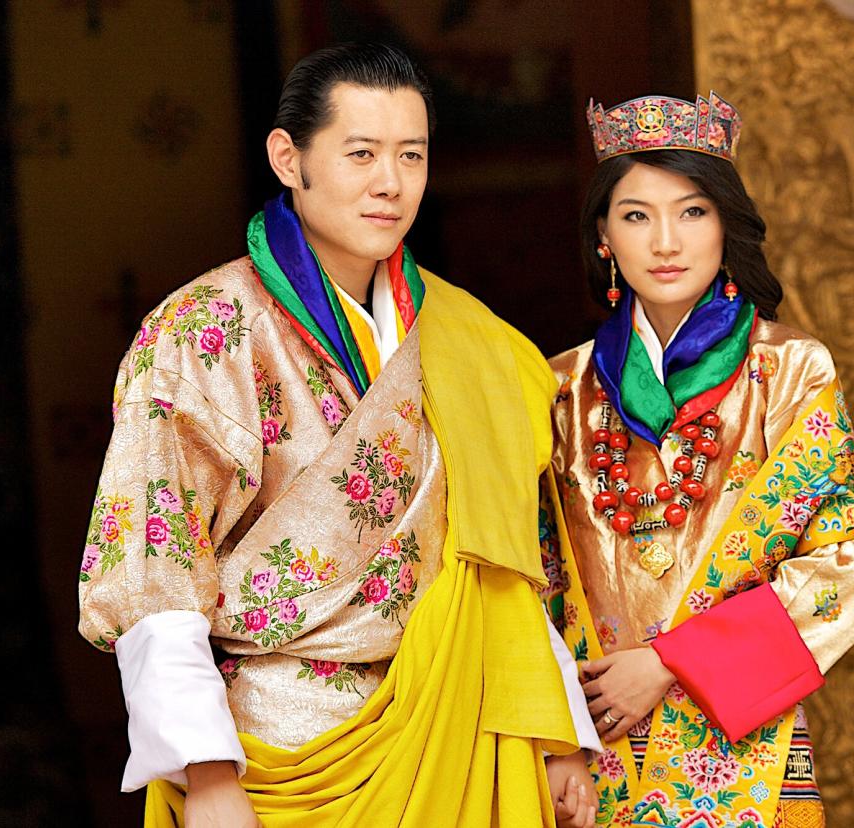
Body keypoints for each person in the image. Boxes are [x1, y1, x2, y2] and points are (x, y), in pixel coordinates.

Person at [77, 43, 600, 827]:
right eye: (361, 154)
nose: (389, 183)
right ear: (289, 158)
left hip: (457, 722)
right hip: (277, 745)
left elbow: (503, 558)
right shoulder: (204, 329)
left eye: (411, 156)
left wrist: (554, 727)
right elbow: (155, 566)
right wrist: (209, 772)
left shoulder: (471, 341)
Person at [540, 92, 854, 828]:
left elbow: (833, 575)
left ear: (725, 224)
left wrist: (666, 662)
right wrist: (557, 740)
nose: (666, 241)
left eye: (691, 212)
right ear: (604, 237)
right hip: (597, 747)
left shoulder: (790, 373)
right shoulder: (559, 388)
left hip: (747, 745)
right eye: (636, 215)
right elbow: (537, 582)